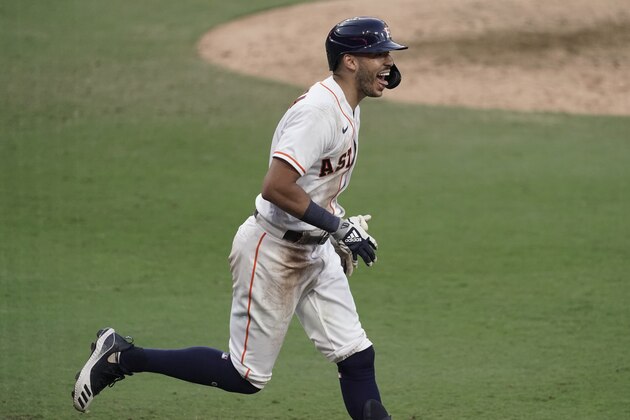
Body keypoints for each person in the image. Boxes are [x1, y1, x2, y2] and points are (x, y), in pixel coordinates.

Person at [72, 16, 407, 420]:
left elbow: (314, 184)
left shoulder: (348, 106)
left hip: (315, 251)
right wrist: (338, 227)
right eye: (378, 54)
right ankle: (122, 357)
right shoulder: (319, 112)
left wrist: (332, 229)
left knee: (357, 357)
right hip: (274, 252)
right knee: (244, 376)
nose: (388, 62)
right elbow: (276, 187)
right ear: (350, 61)